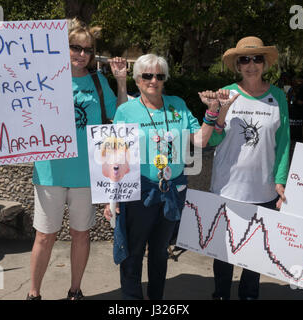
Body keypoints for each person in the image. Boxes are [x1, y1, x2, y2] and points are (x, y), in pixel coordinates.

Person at [0, 18, 128, 300]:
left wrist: (120, 82)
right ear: (62, 47)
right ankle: (34, 293)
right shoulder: (40, 76)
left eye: (87, 50)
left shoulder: (97, 81)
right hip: (49, 173)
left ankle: (75, 290)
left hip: (86, 173)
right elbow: (11, 104)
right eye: (75, 48)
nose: (82, 54)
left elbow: (121, 117)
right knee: (44, 236)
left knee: (81, 235)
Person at [103, 53, 238, 300]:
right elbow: (115, 155)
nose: (153, 80)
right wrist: (112, 198)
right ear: (137, 79)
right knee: (132, 254)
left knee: (159, 254)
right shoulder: (126, 111)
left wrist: (212, 110)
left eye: (159, 75)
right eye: (147, 75)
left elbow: (200, 139)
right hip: (139, 191)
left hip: (172, 191)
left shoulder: (177, 104)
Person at [200, 36, 290, 300]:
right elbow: (214, 139)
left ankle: (249, 295)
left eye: (257, 59)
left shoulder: (278, 98)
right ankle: (221, 294)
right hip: (227, 187)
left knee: (255, 252)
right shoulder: (226, 93)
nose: (251, 65)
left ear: (264, 63)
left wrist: (280, 179)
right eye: (245, 60)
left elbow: (283, 142)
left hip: (263, 190)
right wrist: (219, 111)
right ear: (237, 65)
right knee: (223, 252)